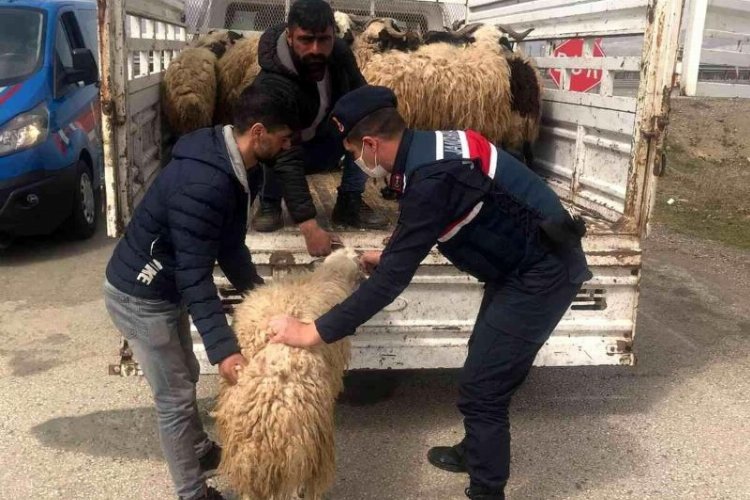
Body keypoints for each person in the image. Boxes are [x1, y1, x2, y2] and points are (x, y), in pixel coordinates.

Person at [268, 85, 593, 500]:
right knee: (485, 358)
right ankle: (477, 451)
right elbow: (423, 227)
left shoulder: (432, 178)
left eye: (353, 154)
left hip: (541, 274)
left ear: (370, 143)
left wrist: (312, 331)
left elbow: (392, 283)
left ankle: (486, 490)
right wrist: (386, 253)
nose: (356, 163)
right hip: (521, 265)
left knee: (483, 389)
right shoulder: (427, 150)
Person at [103, 84, 298, 500]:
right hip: (140, 295)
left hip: (165, 285)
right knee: (173, 397)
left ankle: (197, 448)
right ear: (259, 132)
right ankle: (192, 493)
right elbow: (195, 275)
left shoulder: (237, 167)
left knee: (187, 374)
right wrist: (225, 349)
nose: (288, 145)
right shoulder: (204, 183)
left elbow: (228, 246)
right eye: (284, 138)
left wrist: (261, 300)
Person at [251, 0, 387, 255]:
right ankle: (270, 202)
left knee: (368, 119)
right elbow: (285, 155)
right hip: (288, 149)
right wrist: (309, 226)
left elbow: (361, 93)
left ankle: (349, 201)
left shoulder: (338, 53)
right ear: (290, 37)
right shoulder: (272, 83)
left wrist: (383, 120)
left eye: (324, 40)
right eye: (306, 39)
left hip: (325, 139)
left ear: (333, 36)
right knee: (269, 138)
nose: (316, 49)